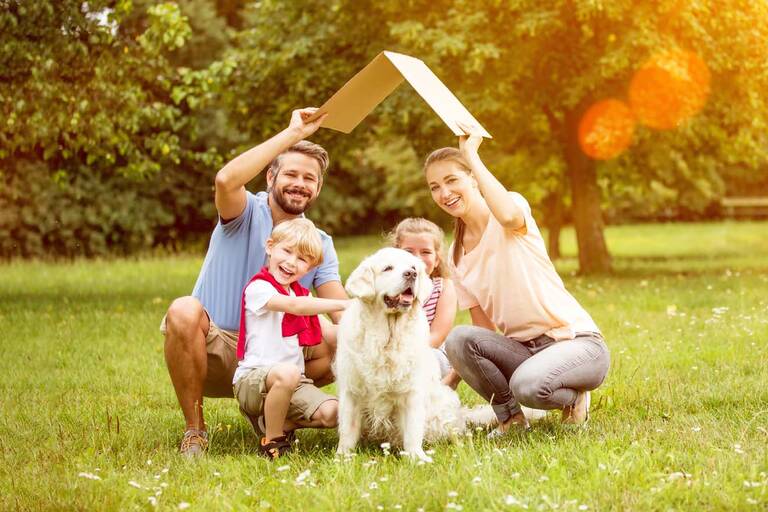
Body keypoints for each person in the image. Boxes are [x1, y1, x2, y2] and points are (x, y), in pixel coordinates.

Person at [161, 108, 347, 456]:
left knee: (341, 340)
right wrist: (293, 133)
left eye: (309, 178)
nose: (299, 183)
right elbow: (225, 180)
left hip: (278, 357)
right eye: (290, 174)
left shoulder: (318, 241)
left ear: (318, 187)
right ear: (270, 178)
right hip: (216, 348)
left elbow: (343, 313)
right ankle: (195, 431)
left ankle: (275, 418)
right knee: (183, 310)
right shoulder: (243, 212)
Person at [424, 123, 610, 435]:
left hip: (577, 344)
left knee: (528, 386)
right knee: (458, 337)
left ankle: (574, 397)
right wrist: (449, 383)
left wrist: (471, 154)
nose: (444, 193)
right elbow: (482, 330)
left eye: (452, 180)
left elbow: (509, 216)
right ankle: (511, 420)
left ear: (473, 178)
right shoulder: (456, 254)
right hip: (524, 351)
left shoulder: (510, 210)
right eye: (434, 186)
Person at [234, 218, 348, 459]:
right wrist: (346, 303)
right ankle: (272, 440)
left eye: (302, 259)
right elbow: (296, 306)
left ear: (310, 268)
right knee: (287, 372)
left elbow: (330, 331)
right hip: (252, 381)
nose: (291, 262)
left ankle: (277, 421)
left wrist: (371, 323)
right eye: (286, 251)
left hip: (293, 383)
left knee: (336, 413)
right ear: (270, 246)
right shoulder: (259, 289)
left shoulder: (299, 293)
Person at [387, 218, 460, 388]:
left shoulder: (443, 287)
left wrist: (403, 355)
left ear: (436, 260)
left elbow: (437, 336)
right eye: (409, 251)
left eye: (426, 252)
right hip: (389, 354)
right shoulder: (386, 289)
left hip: (428, 352)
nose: (417, 259)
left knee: (426, 363)